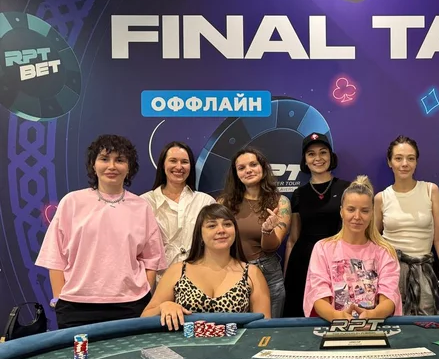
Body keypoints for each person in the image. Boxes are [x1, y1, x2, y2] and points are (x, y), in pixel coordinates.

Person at [35, 135, 166, 329]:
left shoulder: (142, 207)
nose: (111, 166)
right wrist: (59, 298)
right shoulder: (72, 202)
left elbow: (151, 259)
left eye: (120, 160)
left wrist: (143, 292)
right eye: (104, 159)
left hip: (131, 306)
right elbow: (55, 256)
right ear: (93, 165)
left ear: (129, 168)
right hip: (76, 307)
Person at [141, 204, 271, 329]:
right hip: (184, 344)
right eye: (212, 225)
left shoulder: (252, 273)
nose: (221, 230)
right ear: (200, 235)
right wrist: (164, 306)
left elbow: (264, 326)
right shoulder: (177, 271)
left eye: (227, 224)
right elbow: (144, 318)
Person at [304, 176, 402, 321]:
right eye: (351, 209)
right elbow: (318, 295)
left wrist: (372, 315)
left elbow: (389, 298)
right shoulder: (323, 248)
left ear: (372, 214)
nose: (357, 216)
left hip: (373, 328)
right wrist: (337, 316)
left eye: (364, 211)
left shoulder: (385, 252)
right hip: (333, 327)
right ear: (341, 211)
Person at [375, 136, 439, 316]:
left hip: (424, 272)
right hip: (391, 273)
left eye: (410, 158)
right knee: (392, 321)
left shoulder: (430, 190)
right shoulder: (381, 198)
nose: (404, 164)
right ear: (390, 162)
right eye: (398, 158)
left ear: (416, 162)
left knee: (427, 322)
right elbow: (374, 242)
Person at [283, 133, 350, 317]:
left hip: (337, 260)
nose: (318, 158)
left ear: (331, 156)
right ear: (305, 160)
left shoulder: (347, 189)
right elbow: (293, 239)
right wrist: (287, 275)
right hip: (304, 262)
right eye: (311, 154)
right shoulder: (299, 194)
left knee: (338, 313)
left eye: (323, 152)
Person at [219, 147, 290, 318]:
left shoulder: (281, 203)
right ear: (236, 174)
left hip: (267, 273)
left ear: (263, 168)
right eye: (241, 168)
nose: (248, 170)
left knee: (268, 329)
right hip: (232, 271)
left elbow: (272, 247)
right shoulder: (224, 203)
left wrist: (267, 230)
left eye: (253, 164)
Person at [141, 142, 215, 273]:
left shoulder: (206, 202)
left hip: (200, 276)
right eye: (173, 161)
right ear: (163, 165)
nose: (179, 167)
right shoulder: (144, 203)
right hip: (159, 278)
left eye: (184, 162)